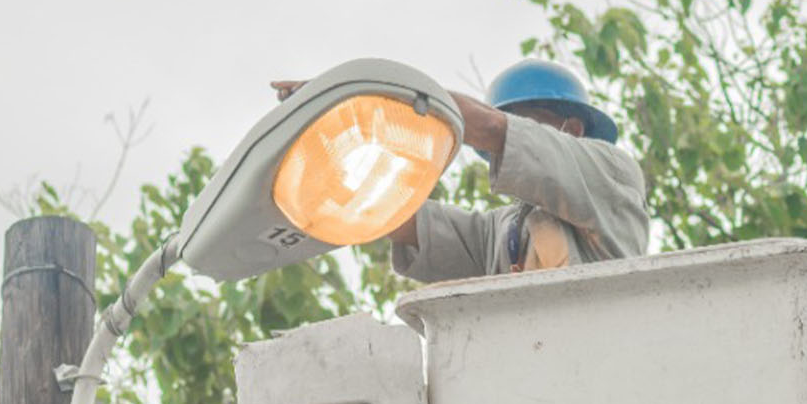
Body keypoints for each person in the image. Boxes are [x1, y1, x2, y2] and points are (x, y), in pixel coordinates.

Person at [275, 60, 648, 282]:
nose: (507, 134)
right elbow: (402, 219)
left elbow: (488, 126)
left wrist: (367, 98)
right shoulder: (501, 232)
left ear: (573, 129)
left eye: (528, 120)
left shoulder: (611, 176)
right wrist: (328, 154)